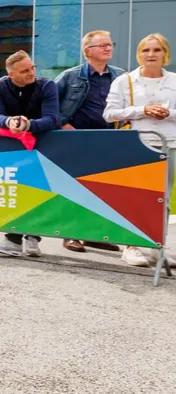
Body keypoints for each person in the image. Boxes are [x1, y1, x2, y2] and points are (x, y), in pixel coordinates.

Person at [103, 33, 176, 268]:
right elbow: (109, 114)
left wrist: (169, 114)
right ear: (139, 54)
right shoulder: (124, 81)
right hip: (138, 144)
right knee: (135, 196)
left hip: (170, 144)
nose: (151, 55)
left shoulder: (174, 81)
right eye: (146, 50)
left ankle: (157, 247)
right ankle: (130, 246)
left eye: (156, 50)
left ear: (165, 53)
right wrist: (142, 110)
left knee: (162, 200)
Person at [55, 30, 126, 253]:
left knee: (103, 188)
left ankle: (96, 234)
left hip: (108, 141)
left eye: (110, 43)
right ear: (87, 51)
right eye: (102, 45)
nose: (108, 48)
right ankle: (71, 235)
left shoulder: (121, 76)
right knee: (75, 187)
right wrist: (66, 126)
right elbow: (48, 106)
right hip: (77, 139)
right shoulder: (70, 76)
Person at [0, 51, 61, 257]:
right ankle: (14, 239)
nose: (32, 73)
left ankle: (31, 237)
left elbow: (52, 118)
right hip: (11, 147)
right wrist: (9, 122)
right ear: (12, 75)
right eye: (25, 71)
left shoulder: (47, 85)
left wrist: (28, 124)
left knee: (38, 189)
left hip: (42, 144)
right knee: (15, 190)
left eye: (33, 68)